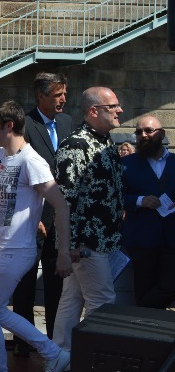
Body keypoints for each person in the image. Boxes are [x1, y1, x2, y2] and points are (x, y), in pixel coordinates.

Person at [0, 101, 73, 372]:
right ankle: (48, 355)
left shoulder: (32, 161)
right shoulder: (0, 154)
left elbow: (61, 206)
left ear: (8, 126)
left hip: (16, 250)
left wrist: (63, 251)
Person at [52, 86, 124, 353]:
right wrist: (68, 244)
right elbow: (65, 200)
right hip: (86, 242)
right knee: (102, 300)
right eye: (113, 107)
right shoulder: (76, 145)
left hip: (103, 239)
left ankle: (61, 355)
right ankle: (94, 360)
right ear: (93, 111)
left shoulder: (106, 142)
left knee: (72, 298)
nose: (120, 111)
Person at [13, 72, 72, 355]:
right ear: (41, 96)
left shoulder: (68, 122)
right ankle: (23, 343)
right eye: (57, 95)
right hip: (33, 217)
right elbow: (16, 172)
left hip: (60, 217)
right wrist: (33, 216)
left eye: (64, 94)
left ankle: (53, 342)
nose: (63, 100)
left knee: (56, 281)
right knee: (25, 281)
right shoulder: (25, 125)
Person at [122, 116, 175, 309]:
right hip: (141, 238)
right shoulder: (126, 164)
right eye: (139, 132)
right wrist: (139, 200)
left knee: (170, 284)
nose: (143, 135)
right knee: (144, 286)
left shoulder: (174, 162)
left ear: (161, 134)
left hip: (171, 237)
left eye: (148, 131)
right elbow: (116, 197)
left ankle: (142, 311)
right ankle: (146, 332)